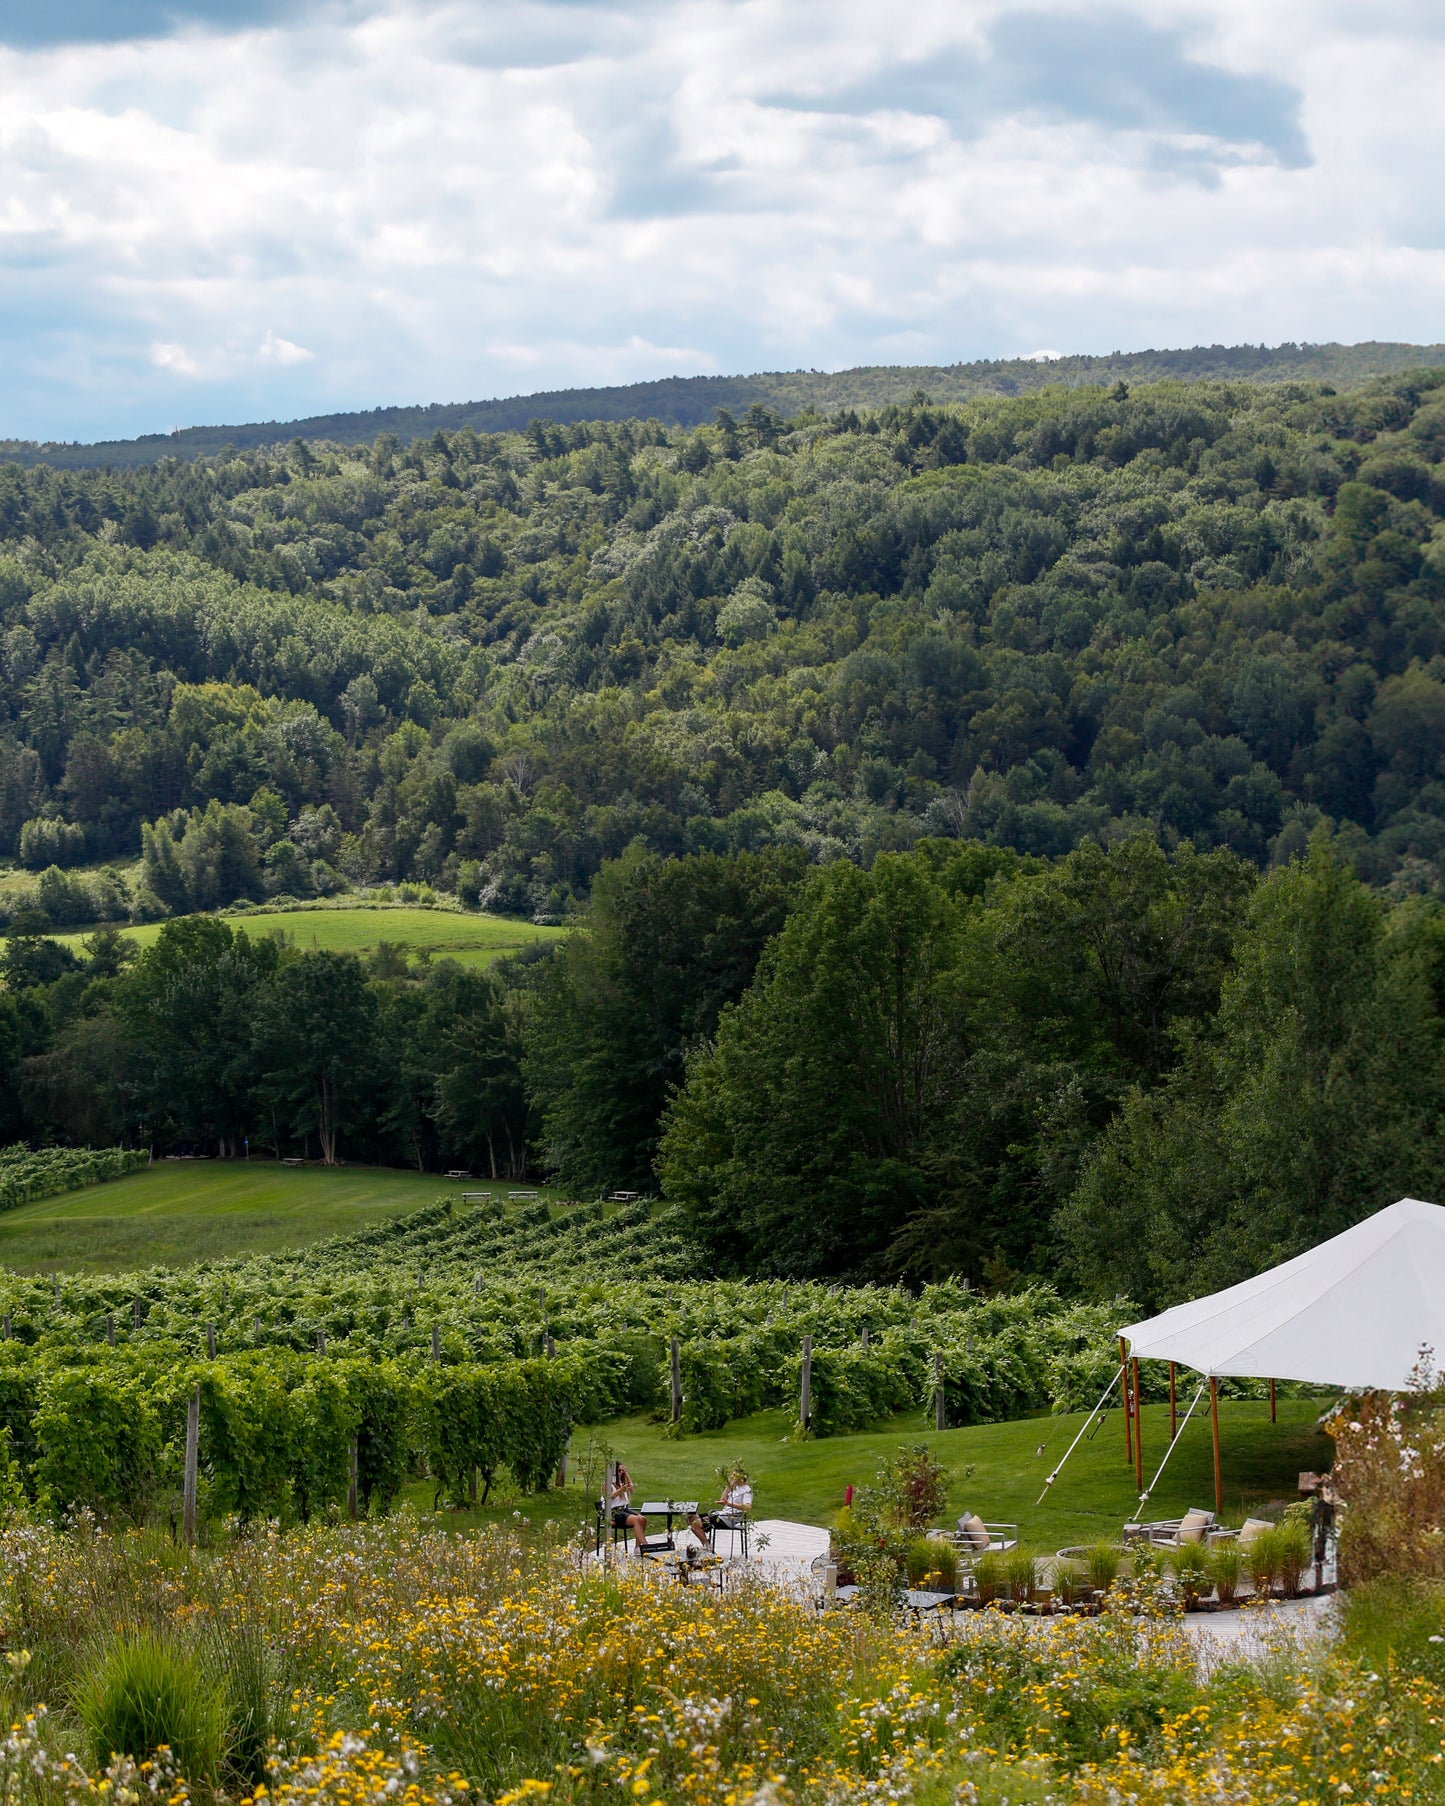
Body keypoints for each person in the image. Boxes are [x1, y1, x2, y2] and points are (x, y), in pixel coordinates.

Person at [606, 1462, 649, 1553]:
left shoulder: (622, 1483)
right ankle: (646, 1546)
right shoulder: (608, 1484)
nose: (621, 1473)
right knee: (636, 1520)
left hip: (624, 1509)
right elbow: (608, 1498)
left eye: (622, 1471)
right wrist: (619, 1491)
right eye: (619, 1471)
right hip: (614, 1512)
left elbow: (631, 1489)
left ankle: (638, 1548)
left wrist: (626, 1474)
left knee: (642, 1519)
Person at [707, 1465, 752, 1536]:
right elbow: (722, 1500)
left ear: (742, 1478)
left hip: (728, 1519)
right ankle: (706, 1545)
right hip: (722, 1515)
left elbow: (747, 1507)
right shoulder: (736, 1488)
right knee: (693, 1518)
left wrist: (729, 1504)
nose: (731, 1477)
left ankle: (706, 1545)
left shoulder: (746, 1491)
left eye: (734, 1475)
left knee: (698, 1521)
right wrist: (729, 1487)